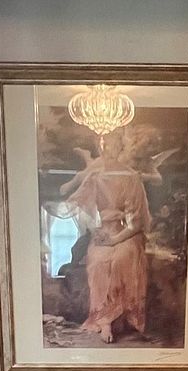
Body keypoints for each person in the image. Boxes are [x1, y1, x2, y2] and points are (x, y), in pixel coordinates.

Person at [58, 132, 151, 343]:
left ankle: (115, 316)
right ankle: (104, 320)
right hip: (103, 230)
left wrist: (115, 240)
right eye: (107, 145)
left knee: (122, 258)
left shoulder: (131, 177)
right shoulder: (95, 175)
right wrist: (97, 231)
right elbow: (83, 209)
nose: (110, 149)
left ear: (121, 148)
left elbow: (136, 223)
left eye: (116, 145)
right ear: (102, 147)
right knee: (98, 261)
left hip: (125, 233)